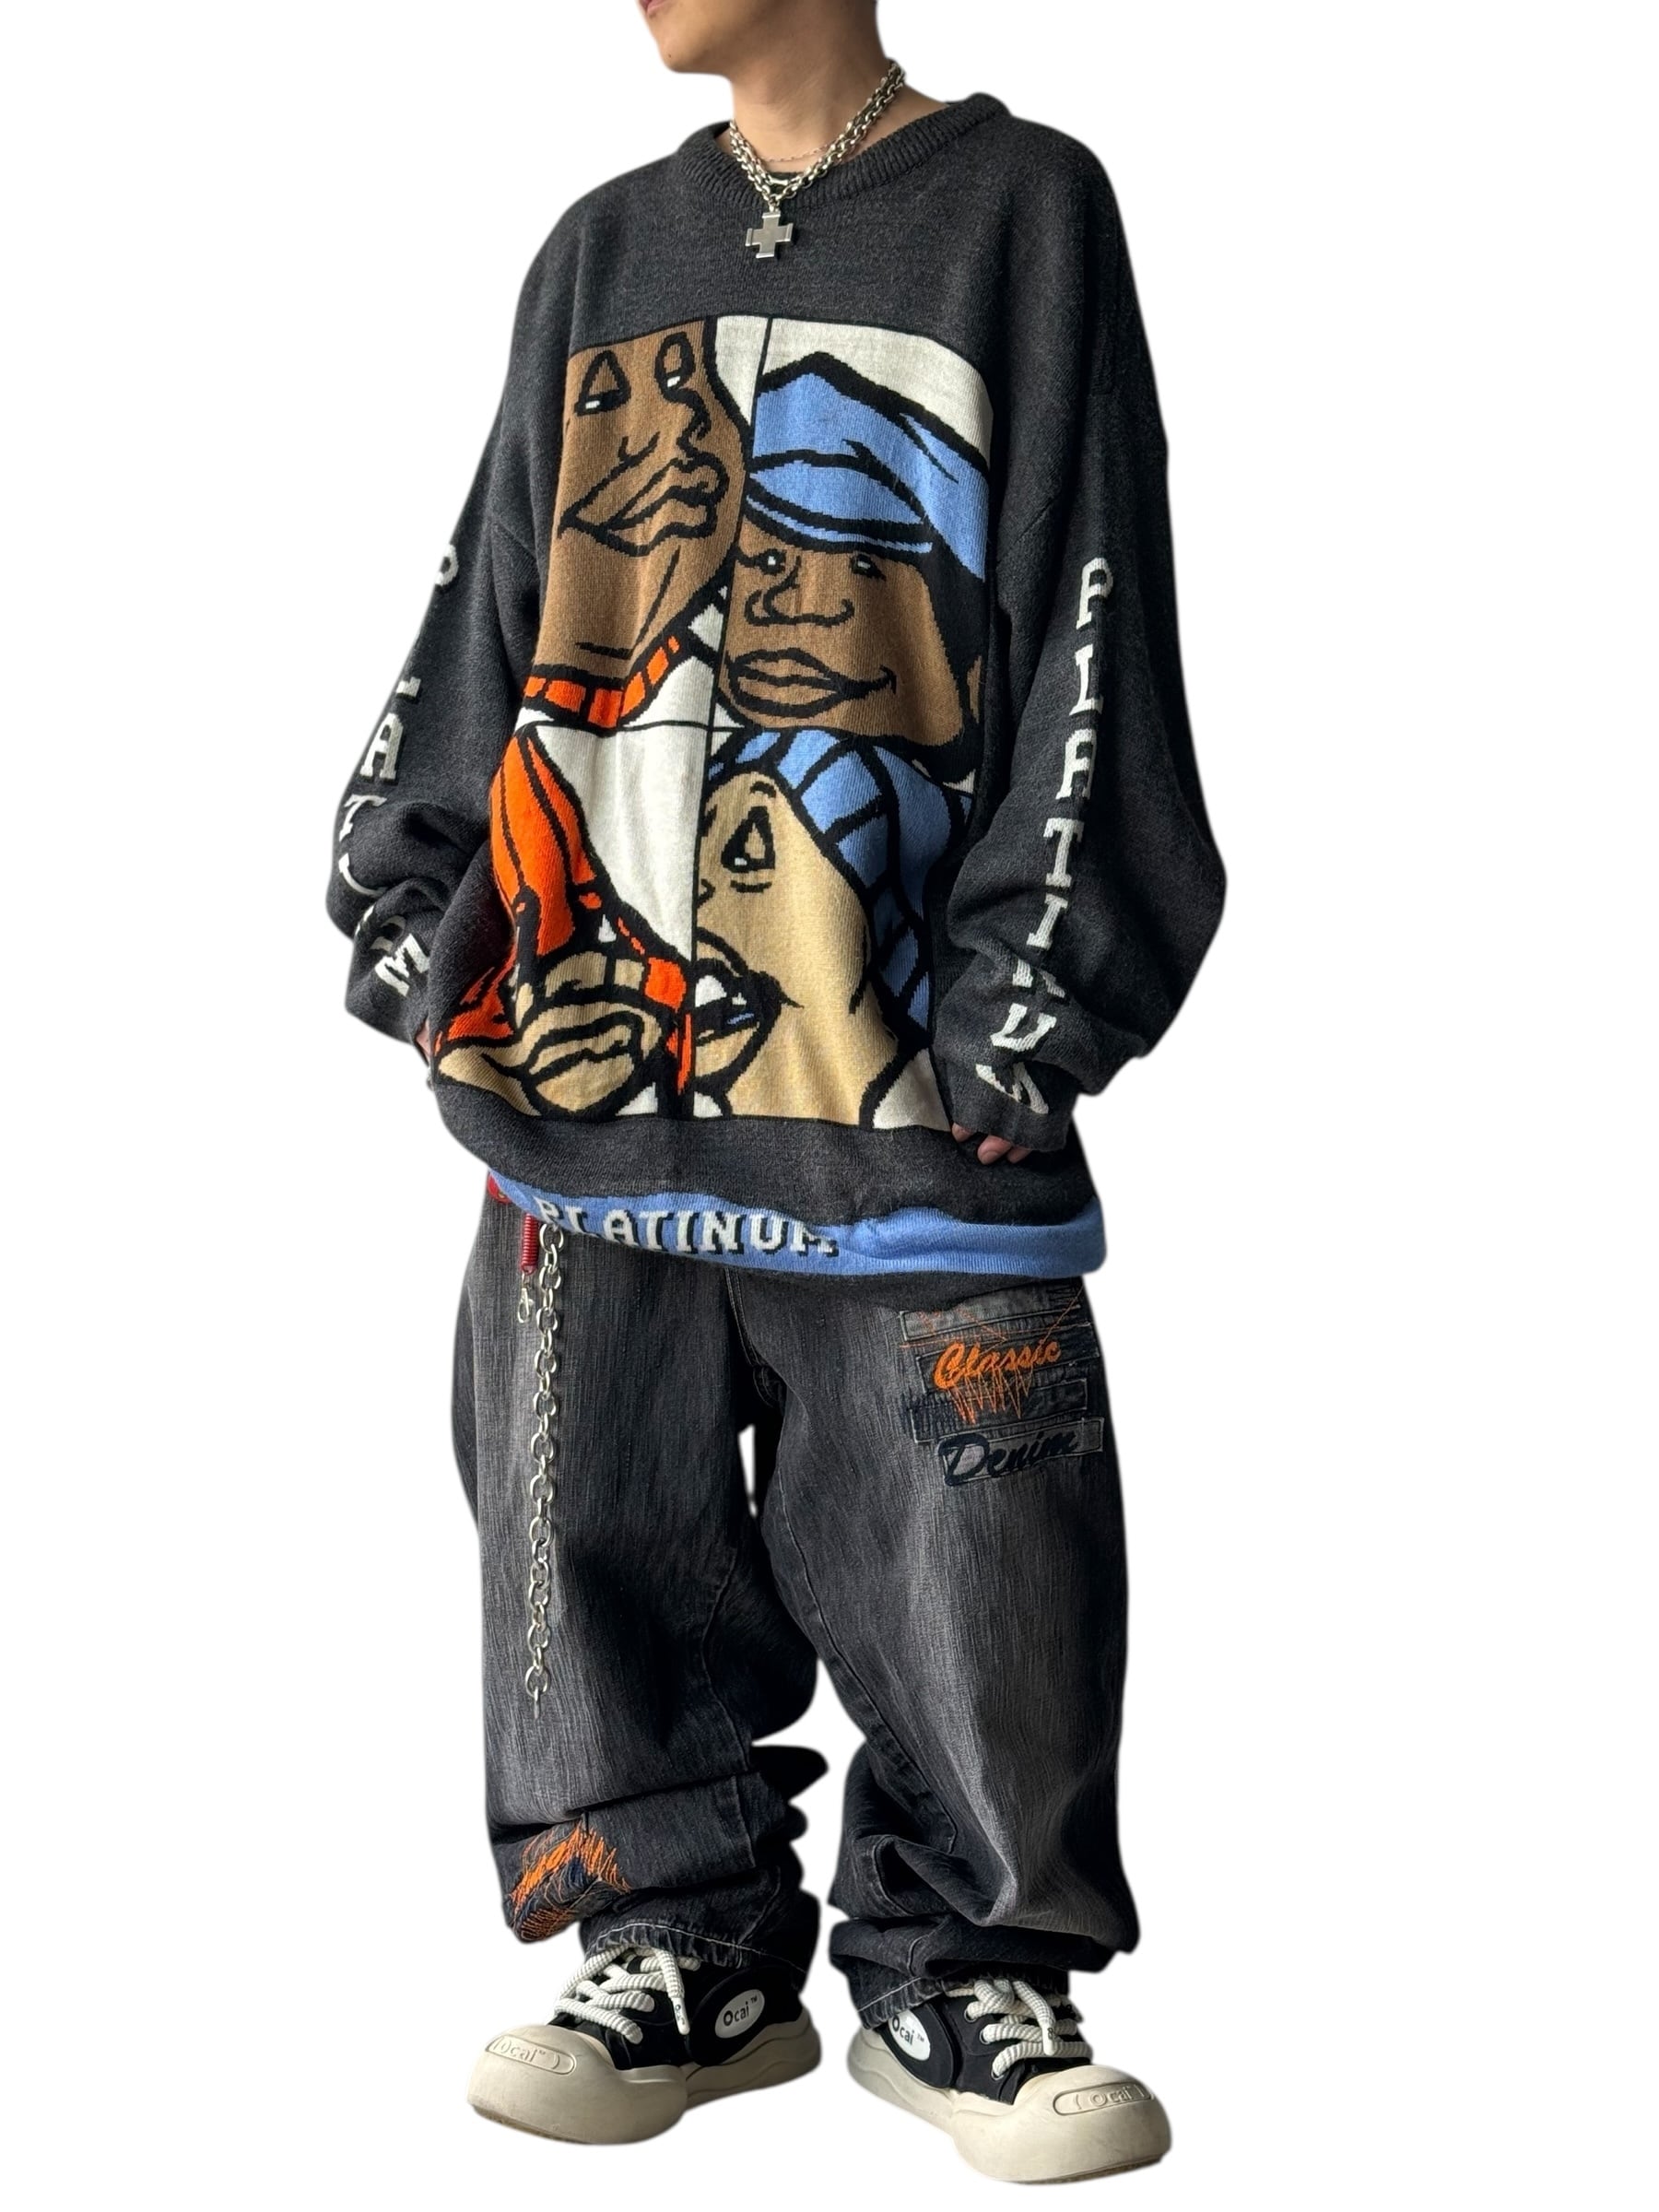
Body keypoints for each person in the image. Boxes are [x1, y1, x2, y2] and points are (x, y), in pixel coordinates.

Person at [326, 0, 1224, 2183]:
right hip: (585, 1069)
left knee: (978, 1519)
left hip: (907, 1080)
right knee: (579, 1511)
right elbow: (502, 597)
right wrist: (418, 902)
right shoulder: (600, 247)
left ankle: (970, 1969)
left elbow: (1089, 605)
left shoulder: (1020, 211)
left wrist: (1040, 996)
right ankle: (676, 1946)